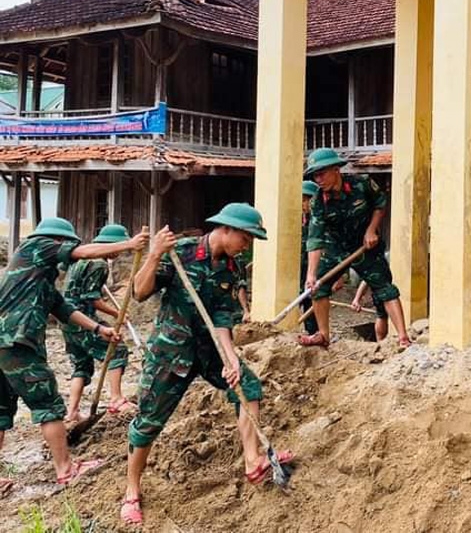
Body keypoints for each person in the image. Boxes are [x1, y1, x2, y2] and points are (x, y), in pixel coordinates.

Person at [121, 204, 293, 525]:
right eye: (245, 237)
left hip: (209, 349)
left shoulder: (233, 269)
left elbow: (222, 320)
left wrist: (231, 360)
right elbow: (139, 292)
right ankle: (131, 492)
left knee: (248, 386)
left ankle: (253, 461)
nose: (247, 244)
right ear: (225, 229)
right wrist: (155, 254)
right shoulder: (181, 253)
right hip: (170, 354)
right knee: (148, 423)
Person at [0, 217, 148, 489]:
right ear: (59, 242)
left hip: (5, 344)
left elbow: (65, 309)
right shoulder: (37, 246)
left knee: (0, 411)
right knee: (48, 404)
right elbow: (80, 253)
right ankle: (66, 470)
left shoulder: (39, 275)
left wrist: (97, 329)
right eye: (67, 246)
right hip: (16, 342)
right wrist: (129, 244)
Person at [301, 148, 411, 348]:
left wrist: (371, 230)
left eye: (322, 173)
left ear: (336, 170)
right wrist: (311, 274)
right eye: (315, 175)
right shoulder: (318, 200)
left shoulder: (362, 184)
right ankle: (323, 335)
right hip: (335, 248)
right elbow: (315, 238)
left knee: (385, 289)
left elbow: (380, 204)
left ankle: (403, 337)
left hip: (364, 246)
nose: (318, 179)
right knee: (317, 289)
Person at [61, 224, 135, 423]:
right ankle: (116, 399)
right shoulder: (99, 264)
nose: (120, 254)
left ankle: (72, 412)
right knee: (117, 349)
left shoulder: (80, 260)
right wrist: (116, 313)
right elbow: (91, 298)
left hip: (67, 320)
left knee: (81, 364)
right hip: (83, 318)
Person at [300, 180, 320, 336]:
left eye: (307, 199)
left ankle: (314, 332)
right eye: (301, 200)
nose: (303, 204)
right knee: (302, 297)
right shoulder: (301, 221)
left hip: (315, 268)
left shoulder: (320, 221)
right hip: (300, 267)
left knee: (312, 299)